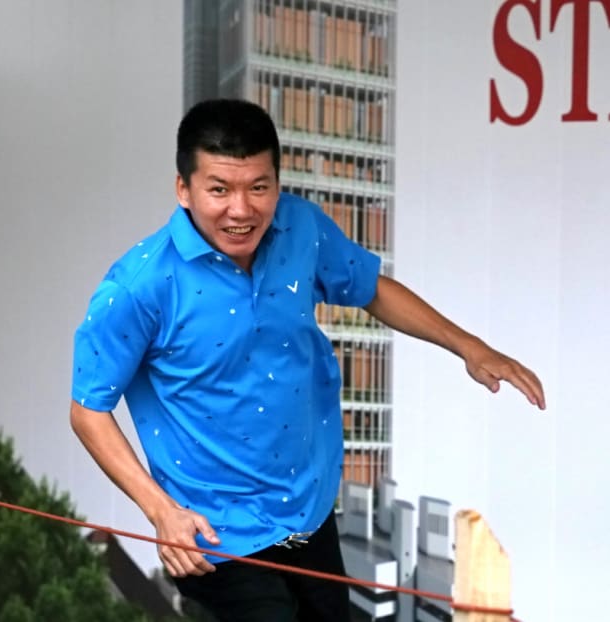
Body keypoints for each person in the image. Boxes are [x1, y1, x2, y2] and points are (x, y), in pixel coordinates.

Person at [69, 99, 545, 622]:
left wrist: (470, 348)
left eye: (259, 187)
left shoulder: (301, 228)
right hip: (216, 531)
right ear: (184, 189)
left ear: (277, 181)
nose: (241, 210)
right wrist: (160, 511)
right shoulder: (138, 287)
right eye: (219, 189)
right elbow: (88, 410)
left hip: (308, 509)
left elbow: (369, 288)